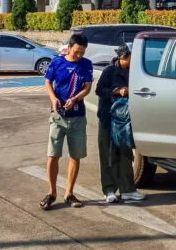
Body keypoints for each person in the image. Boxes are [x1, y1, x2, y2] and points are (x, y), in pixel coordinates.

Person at [41, 33, 93, 210]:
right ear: (69, 47)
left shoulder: (86, 64)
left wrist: (76, 98)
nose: (79, 55)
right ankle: (51, 192)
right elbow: (48, 82)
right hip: (58, 116)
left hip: (77, 116)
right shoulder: (57, 62)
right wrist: (53, 98)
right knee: (52, 155)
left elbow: (87, 87)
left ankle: (69, 193)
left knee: (75, 155)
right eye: (77, 51)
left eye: (82, 52)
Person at [95, 44, 144, 203]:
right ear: (124, 57)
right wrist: (117, 91)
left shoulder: (134, 71)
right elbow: (99, 90)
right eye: (131, 57)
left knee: (126, 152)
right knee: (108, 154)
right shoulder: (109, 70)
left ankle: (128, 189)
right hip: (108, 118)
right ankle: (109, 189)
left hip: (125, 119)